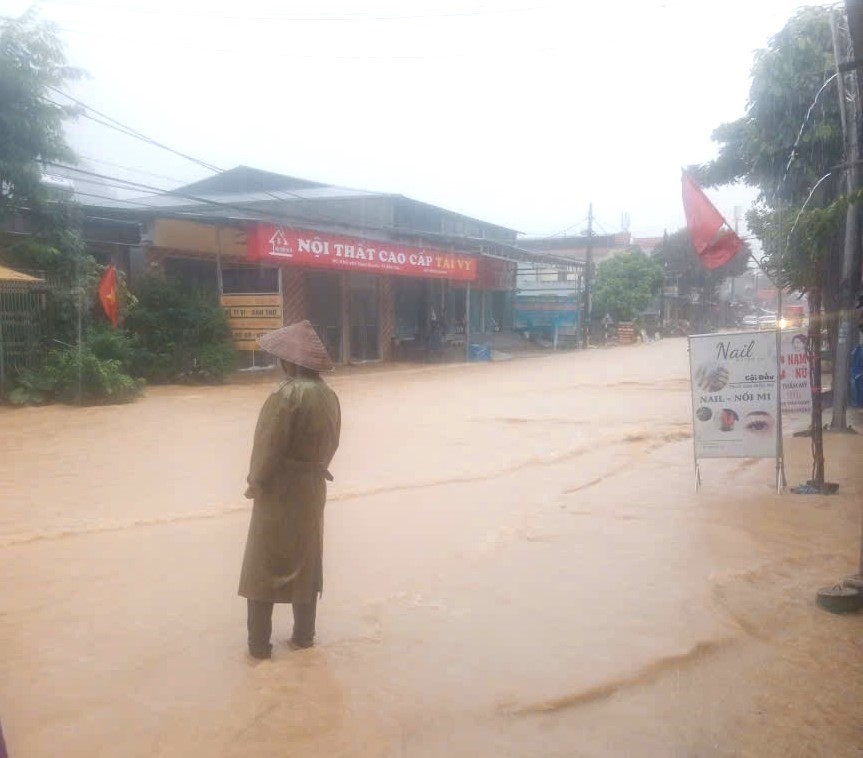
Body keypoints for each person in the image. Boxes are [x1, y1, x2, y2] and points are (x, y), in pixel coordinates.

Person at [238, 320, 342, 659]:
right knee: (306, 563)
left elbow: (267, 447)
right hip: (312, 489)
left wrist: (255, 482)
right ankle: (304, 639)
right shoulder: (329, 396)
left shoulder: (284, 395)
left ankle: (258, 648)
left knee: (262, 566)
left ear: (289, 362)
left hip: (279, 490)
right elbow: (332, 444)